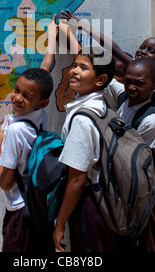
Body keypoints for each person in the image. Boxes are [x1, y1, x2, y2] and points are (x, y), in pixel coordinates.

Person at [52, 49, 117, 252]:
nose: (74, 71)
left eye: (83, 67)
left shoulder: (82, 120)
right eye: (75, 65)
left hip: (89, 206)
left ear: (101, 79)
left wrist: (60, 223)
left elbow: (77, 179)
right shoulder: (102, 105)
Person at [60, 10, 155, 109]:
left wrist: (82, 26)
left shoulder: (152, 75)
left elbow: (114, 49)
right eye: (142, 47)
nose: (143, 51)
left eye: (151, 51)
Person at [0, 68, 55, 253]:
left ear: (43, 103)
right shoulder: (41, 115)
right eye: (16, 90)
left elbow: (5, 183)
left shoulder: (16, 131)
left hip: (21, 210)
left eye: (26, 96)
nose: (17, 98)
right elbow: (42, 72)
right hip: (39, 204)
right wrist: (51, 41)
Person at [115, 57, 155, 252]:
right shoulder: (126, 102)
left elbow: (125, 158)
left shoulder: (149, 120)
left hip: (138, 193)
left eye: (140, 84)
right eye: (128, 81)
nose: (132, 88)